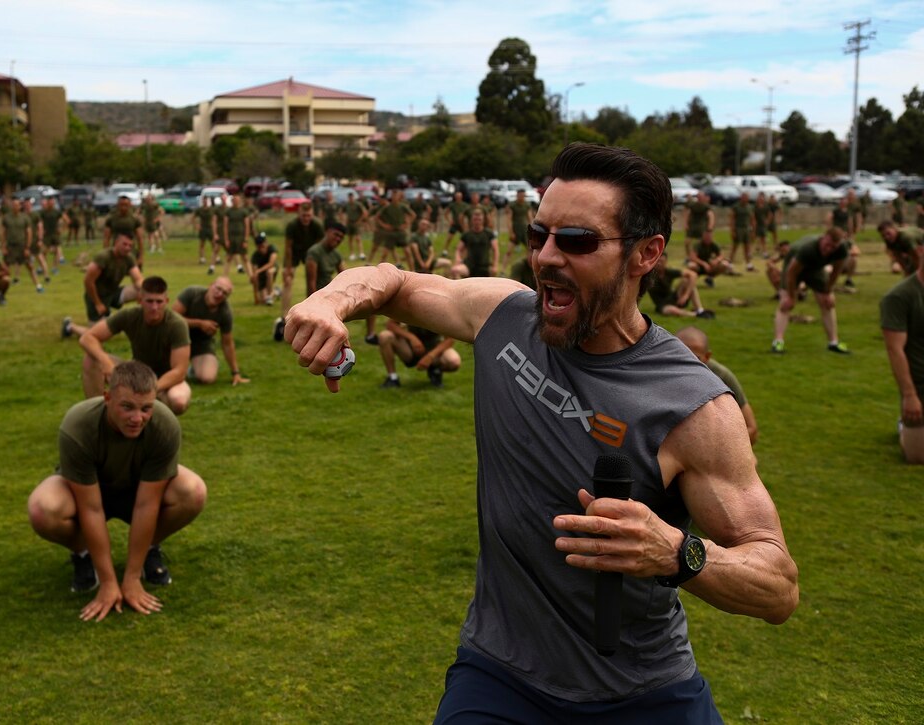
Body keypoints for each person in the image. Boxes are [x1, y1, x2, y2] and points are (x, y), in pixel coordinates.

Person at [284, 143, 798, 721]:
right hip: (500, 677)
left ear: (646, 253)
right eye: (539, 235)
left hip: (644, 692)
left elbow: (777, 585)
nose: (547, 257)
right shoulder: (505, 317)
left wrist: (678, 552)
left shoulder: (692, 405)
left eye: (576, 241)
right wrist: (329, 302)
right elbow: (393, 281)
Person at [26, 361, 207, 620]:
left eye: (146, 408)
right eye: (127, 407)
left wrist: (130, 579)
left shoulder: (164, 424)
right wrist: (111, 583)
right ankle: (84, 555)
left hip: (138, 492)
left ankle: (147, 553)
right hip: (87, 493)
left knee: (193, 491)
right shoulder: (78, 425)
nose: (137, 418)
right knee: (42, 509)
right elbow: (91, 507)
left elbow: (147, 504)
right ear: (107, 398)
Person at [78, 276, 191, 415]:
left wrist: (150, 390)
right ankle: (98, 415)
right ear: (140, 300)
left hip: (166, 379)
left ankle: (159, 423)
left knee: (178, 401)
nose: (154, 307)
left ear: (166, 302)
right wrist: (106, 363)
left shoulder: (177, 324)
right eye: (149, 301)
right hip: (138, 372)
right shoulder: (129, 315)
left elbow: (179, 371)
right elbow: (87, 337)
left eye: (159, 302)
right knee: (91, 359)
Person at [879, 231, 924, 463]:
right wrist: (909, 395)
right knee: (917, 457)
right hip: (919, 386)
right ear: (920, 252)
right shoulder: (899, 297)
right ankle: (903, 425)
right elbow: (895, 349)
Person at [771, 227, 851, 354]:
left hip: (815, 268)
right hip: (794, 268)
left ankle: (833, 343)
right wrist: (792, 296)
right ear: (823, 237)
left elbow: (836, 271)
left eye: (833, 247)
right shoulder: (806, 249)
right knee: (785, 304)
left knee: (827, 302)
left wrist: (828, 291)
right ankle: (778, 343)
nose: (829, 249)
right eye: (827, 245)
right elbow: (791, 274)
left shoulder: (841, 249)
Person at [676, 326, 757, 445]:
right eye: (681, 355)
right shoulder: (657, 372)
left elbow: (751, 429)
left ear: (707, 357)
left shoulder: (721, 376)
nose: (687, 362)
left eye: (695, 358)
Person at [63, 233, 143, 339]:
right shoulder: (103, 257)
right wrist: (97, 303)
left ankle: (144, 324)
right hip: (96, 296)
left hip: (113, 293)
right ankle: (69, 326)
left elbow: (138, 279)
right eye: (124, 244)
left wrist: (143, 292)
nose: (127, 248)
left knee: (143, 291)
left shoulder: (128, 258)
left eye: (130, 246)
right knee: (97, 335)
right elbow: (88, 281)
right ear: (116, 243)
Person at [172, 277, 249, 386]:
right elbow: (172, 319)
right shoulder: (192, 293)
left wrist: (235, 373)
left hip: (201, 344)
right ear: (211, 285)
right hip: (177, 340)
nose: (220, 294)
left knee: (208, 378)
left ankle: (194, 369)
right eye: (218, 288)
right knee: (168, 373)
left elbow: (227, 343)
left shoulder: (225, 312)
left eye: (225, 293)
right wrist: (199, 323)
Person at [274, 202, 325, 340]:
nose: (306, 218)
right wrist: (289, 268)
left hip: (311, 253)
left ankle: (312, 313)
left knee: (313, 282)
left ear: (312, 214)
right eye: (303, 216)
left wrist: (318, 264)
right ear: (299, 214)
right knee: (287, 281)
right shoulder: (292, 226)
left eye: (308, 216)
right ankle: (284, 316)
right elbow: (288, 247)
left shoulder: (317, 226)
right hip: (295, 253)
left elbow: (321, 247)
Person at [377, 319, 460, 389]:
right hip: (411, 348)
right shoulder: (408, 304)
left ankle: (435, 370)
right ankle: (392, 377)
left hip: (434, 346)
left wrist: (430, 356)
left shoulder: (440, 309)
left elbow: (450, 340)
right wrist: (412, 338)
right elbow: (391, 324)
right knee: (385, 336)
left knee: (454, 361)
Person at [646, 253, 714, 319]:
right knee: (670, 310)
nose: (660, 264)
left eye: (662, 261)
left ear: (666, 262)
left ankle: (700, 310)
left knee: (686, 281)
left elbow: (693, 275)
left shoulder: (668, 272)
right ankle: (696, 315)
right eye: (658, 261)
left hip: (673, 298)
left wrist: (686, 295)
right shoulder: (649, 276)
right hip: (662, 304)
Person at [1, 198, 43, 293]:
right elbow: (3, 232)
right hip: (10, 246)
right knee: (5, 267)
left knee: (29, 266)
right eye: (13, 205)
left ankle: (38, 285)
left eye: (17, 205)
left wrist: (27, 247)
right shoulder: (7, 218)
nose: (15, 207)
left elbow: (29, 232)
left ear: (20, 207)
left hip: (22, 246)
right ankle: (2, 288)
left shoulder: (24, 218)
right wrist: (3, 246)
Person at [450, 209, 497, 279]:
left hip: (485, 266)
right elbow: (458, 249)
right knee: (455, 270)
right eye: (475, 219)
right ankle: (460, 289)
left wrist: (495, 265)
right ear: (472, 220)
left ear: (483, 220)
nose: (477, 222)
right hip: (469, 265)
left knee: (494, 273)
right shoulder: (467, 234)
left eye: (479, 219)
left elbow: (495, 250)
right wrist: (458, 258)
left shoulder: (489, 234)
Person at [305, 221, 346, 297]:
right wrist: (314, 301)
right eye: (336, 234)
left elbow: (344, 277)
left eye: (341, 237)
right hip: (317, 295)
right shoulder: (315, 252)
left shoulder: (336, 255)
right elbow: (311, 283)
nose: (338, 239)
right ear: (328, 232)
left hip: (329, 294)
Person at [103, 196, 144, 268]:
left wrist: (140, 257)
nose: (123, 207)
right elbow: (106, 238)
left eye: (126, 205)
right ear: (118, 205)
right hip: (116, 252)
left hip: (131, 252)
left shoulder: (134, 219)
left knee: (136, 275)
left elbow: (140, 239)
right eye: (121, 205)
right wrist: (106, 255)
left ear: (130, 205)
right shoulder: (111, 219)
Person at [501, 189, 534, 270]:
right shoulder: (513, 205)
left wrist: (533, 229)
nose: (521, 197)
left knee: (530, 250)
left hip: (524, 230)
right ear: (517, 195)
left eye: (523, 195)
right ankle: (503, 269)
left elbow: (530, 218)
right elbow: (509, 219)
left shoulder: (527, 205)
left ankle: (530, 269)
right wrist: (511, 232)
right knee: (509, 251)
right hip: (515, 230)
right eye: (520, 195)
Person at [222, 194, 252, 275]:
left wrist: (246, 239)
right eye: (234, 200)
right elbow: (225, 226)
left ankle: (251, 276)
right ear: (232, 201)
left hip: (241, 237)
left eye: (237, 200)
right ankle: (224, 277)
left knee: (245, 257)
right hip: (231, 237)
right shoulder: (228, 212)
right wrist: (226, 239)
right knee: (229, 257)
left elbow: (247, 226)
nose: (236, 202)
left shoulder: (244, 212)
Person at [682, 191, 714, 260]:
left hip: (701, 226)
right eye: (698, 197)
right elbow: (687, 212)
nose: (699, 198)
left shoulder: (706, 206)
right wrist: (685, 223)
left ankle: (700, 257)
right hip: (692, 226)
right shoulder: (693, 205)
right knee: (687, 242)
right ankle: (689, 257)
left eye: (701, 197)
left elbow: (711, 215)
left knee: (701, 243)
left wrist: (710, 226)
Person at [38, 196, 66, 272]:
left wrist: (61, 229)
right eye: (50, 202)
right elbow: (39, 222)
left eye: (52, 202)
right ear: (48, 203)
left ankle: (55, 268)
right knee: (44, 251)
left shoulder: (57, 212)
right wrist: (41, 230)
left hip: (55, 234)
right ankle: (42, 267)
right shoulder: (43, 212)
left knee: (57, 251)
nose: (51, 203)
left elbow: (65, 220)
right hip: (47, 234)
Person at [249, 232, 278, 305]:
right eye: (260, 246)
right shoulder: (255, 256)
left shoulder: (272, 248)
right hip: (262, 277)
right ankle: (276, 292)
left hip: (272, 270)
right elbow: (255, 277)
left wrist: (258, 271)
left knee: (269, 272)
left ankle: (270, 297)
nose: (262, 247)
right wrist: (256, 297)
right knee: (263, 300)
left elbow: (271, 263)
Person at [729, 192, 755, 271]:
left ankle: (749, 264)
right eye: (744, 197)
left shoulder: (749, 207)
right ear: (741, 198)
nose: (745, 199)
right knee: (735, 246)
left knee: (747, 247)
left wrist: (753, 230)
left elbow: (752, 218)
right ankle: (730, 263)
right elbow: (732, 218)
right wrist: (732, 230)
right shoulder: (736, 207)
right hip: (738, 228)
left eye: (747, 198)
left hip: (746, 228)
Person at [194, 195, 219, 269]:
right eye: (204, 200)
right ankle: (202, 258)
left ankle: (216, 258)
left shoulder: (211, 209)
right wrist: (197, 226)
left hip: (210, 228)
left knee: (213, 244)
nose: (205, 202)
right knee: (202, 244)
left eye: (206, 200)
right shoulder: (200, 209)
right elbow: (193, 218)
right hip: (203, 228)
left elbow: (215, 218)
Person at [441, 191, 469, 258]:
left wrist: (466, 223)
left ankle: (465, 251)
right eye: (457, 197)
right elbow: (446, 213)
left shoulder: (465, 205)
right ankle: (445, 250)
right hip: (454, 224)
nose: (458, 198)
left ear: (461, 197)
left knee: (466, 238)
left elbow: (468, 214)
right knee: (449, 238)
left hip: (462, 224)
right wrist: (449, 221)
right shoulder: (452, 205)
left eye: (459, 197)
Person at [343, 191, 369, 261]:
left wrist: (360, 220)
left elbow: (365, 212)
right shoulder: (347, 204)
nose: (350, 199)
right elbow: (342, 212)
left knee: (358, 238)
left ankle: (361, 253)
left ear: (353, 197)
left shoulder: (357, 204)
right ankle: (352, 254)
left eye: (351, 197)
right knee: (350, 239)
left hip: (356, 223)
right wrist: (344, 220)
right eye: (349, 197)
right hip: (349, 223)